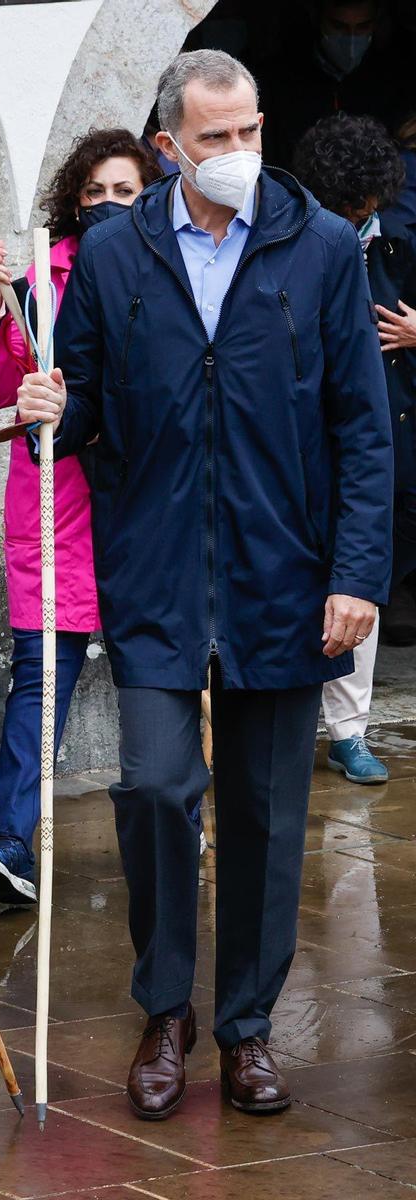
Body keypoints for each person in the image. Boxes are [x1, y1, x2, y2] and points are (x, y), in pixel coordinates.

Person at [18, 50, 392, 1120]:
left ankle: (243, 1027)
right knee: (151, 785)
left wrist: (354, 574)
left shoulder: (318, 248)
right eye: (211, 140)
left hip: (284, 577)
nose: (233, 156)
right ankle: (162, 1010)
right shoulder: (113, 253)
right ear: (166, 145)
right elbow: (81, 406)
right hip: (157, 574)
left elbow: (361, 431)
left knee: (268, 817)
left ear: (261, 127)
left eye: (247, 134)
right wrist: (54, 414)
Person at [0, 129, 159, 906]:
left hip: (147, 504)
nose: (108, 205)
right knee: (41, 675)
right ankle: (12, 842)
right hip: (58, 505)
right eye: (95, 193)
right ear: (73, 200)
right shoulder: (42, 277)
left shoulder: (172, 272)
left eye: (126, 193)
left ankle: (174, 817)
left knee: (165, 676)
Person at [294, 112, 416, 780]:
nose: (359, 218)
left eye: (367, 208)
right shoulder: (295, 240)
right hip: (301, 437)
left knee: (359, 579)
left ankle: (349, 730)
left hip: (382, 429)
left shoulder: (395, 241)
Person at [257, 0, 407, 171]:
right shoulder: (278, 80)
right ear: (317, 18)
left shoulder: (390, 81)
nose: (351, 38)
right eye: (338, 26)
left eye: (362, 27)